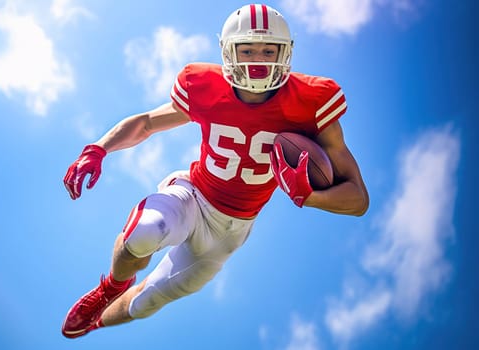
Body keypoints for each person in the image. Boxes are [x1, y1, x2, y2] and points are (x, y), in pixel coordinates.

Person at [61, 3, 369, 339]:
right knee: (145, 232)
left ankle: (98, 322)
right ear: (228, 52)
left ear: (286, 52)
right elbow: (148, 122)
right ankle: (110, 287)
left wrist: (309, 197)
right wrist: (98, 148)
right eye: (247, 49)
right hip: (194, 194)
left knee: (147, 304)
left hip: (231, 231)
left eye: (269, 50)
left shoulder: (312, 100)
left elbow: (358, 199)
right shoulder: (204, 84)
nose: (257, 60)